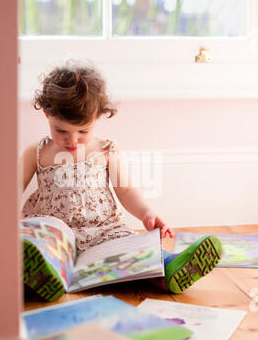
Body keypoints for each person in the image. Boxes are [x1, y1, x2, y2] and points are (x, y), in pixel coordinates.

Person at [19, 60, 222, 297]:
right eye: (61, 131)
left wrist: (147, 213)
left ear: (99, 117)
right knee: (41, 242)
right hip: (57, 229)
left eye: (83, 131)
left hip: (103, 229)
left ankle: (170, 269)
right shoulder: (37, 151)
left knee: (134, 248)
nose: (72, 140)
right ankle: (41, 276)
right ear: (46, 113)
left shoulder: (106, 150)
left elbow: (125, 190)